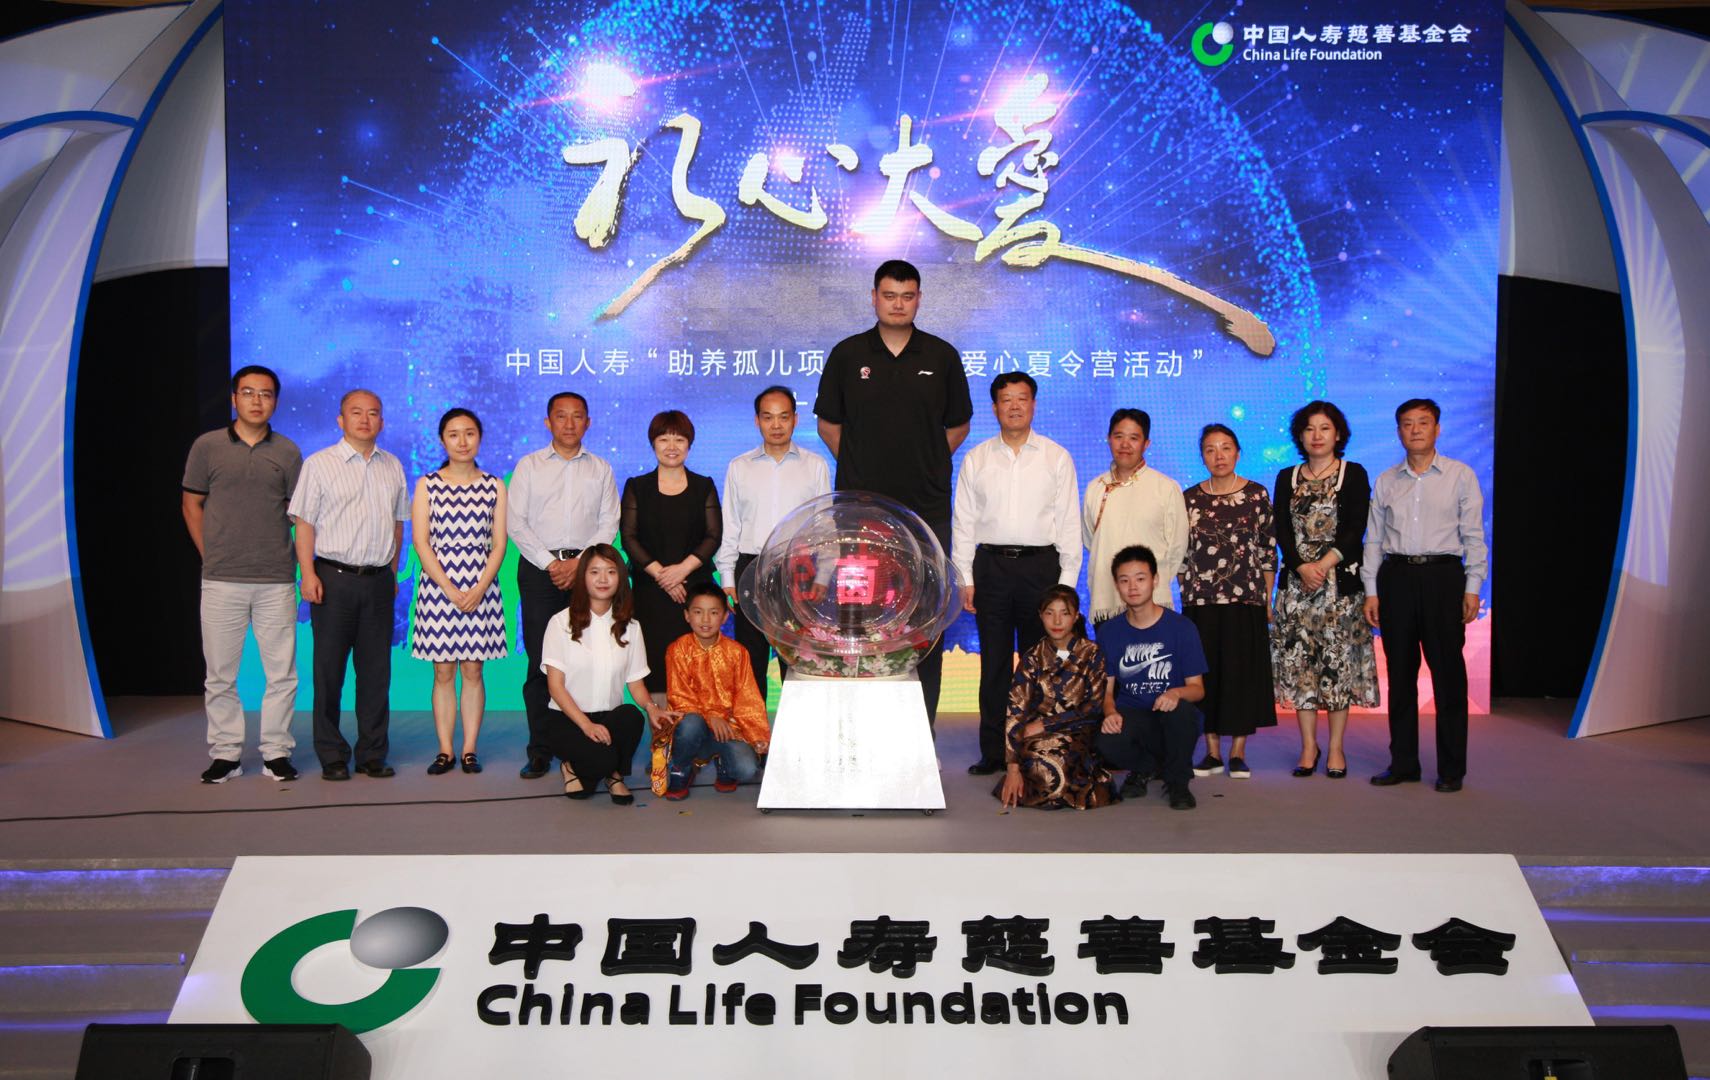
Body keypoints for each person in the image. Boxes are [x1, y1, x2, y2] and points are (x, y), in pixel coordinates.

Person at [815, 259, 973, 725]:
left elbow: (958, 425)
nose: (898, 304)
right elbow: (828, 425)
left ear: (919, 299)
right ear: (874, 298)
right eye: (889, 296)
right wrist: (864, 467)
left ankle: (922, 733)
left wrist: (925, 461)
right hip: (860, 513)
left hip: (927, 510)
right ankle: (858, 728)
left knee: (925, 622)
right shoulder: (848, 354)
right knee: (859, 617)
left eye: (907, 296)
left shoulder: (941, 356)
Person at [952, 372, 1081, 775]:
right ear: (994, 408)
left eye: (1022, 398)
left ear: (1033, 404)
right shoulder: (977, 458)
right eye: (1006, 399)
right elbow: (963, 523)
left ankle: (1035, 748)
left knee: (1038, 664)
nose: (1014, 406)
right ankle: (994, 751)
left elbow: (1069, 523)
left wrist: (1066, 587)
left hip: (1040, 568)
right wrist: (965, 578)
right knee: (993, 665)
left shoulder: (1055, 457)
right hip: (991, 568)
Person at [182, 365, 303, 783]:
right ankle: (226, 754)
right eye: (248, 393)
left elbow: (297, 514)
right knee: (220, 675)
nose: (257, 401)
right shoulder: (207, 446)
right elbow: (191, 504)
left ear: (275, 402)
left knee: (282, 674)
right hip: (221, 579)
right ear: (234, 398)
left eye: (265, 394)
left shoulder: (288, 452)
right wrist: (210, 555)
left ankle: (276, 752)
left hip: (276, 579)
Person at [1362, 399, 1487, 793]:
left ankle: (1451, 769)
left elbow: (1474, 536)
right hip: (1396, 578)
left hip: (1443, 577)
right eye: (1407, 424)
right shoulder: (1386, 480)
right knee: (1400, 677)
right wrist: (1371, 590)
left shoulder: (1460, 475)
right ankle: (1403, 763)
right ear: (1398, 431)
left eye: (1423, 422)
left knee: (1448, 676)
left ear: (1437, 429)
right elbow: (1374, 540)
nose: (1414, 430)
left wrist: (1472, 587)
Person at [288, 389, 409, 781]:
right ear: (341, 420)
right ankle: (332, 754)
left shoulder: (392, 465)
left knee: (376, 674)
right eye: (356, 413)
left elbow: (397, 525)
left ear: (382, 422)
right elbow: (304, 523)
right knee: (329, 672)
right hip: (332, 580)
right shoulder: (319, 464)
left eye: (373, 413)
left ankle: (372, 753)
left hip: (378, 582)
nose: (365, 420)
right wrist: (308, 574)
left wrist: (392, 573)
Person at [507, 392, 621, 780]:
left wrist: (580, 564)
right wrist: (552, 564)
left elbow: (608, 522)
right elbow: (516, 523)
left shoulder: (600, 468)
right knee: (542, 662)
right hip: (539, 572)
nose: (569, 424)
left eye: (577, 417)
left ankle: (587, 745)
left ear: (588, 422)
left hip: (589, 573)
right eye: (561, 416)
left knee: (589, 659)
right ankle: (540, 750)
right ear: (548, 422)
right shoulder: (529, 466)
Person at [1271, 401, 1378, 780]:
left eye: (1325, 428)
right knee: (1301, 667)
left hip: (1339, 590)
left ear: (1338, 434)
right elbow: (1282, 529)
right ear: (1300, 436)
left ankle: (1335, 747)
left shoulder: (1354, 473)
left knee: (1337, 668)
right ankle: (1307, 746)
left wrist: (1323, 564)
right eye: (1309, 429)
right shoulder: (1287, 477)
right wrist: (1302, 566)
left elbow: (1356, 527)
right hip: (1297, 588)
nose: (1316, 436)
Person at [715, 385, 831, 697]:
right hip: (750, 568)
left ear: (795, 419)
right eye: (768, 417)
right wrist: (728, 577)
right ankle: (753, 728)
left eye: (783, 417)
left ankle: (798, 726)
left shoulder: (815, 465)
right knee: (750, 660)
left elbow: (825, 525)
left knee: (798, 658)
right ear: (757, 421)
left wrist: (823, 574)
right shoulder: (739, 466)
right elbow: (731, 525)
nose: (776, 425)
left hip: (799, 568)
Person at [409, 408, 507, 776]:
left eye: (469, 433)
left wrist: (479, 588)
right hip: (439, 590)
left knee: (473, 670)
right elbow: (421, 542)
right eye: (453, 434)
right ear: (442, 440)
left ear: (479, 437)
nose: (462, 441)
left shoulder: (494, 486)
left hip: (482, 588)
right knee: (443, 671)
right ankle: (445, 749)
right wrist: (450, 589)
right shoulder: (427, 484)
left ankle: (469, 749)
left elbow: (499, 544)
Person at [539, 544, 671, 804]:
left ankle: (611, 773)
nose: (603, 579)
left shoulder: (632, 627)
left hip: (609, 719)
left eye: (611, 572)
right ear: (582, 577)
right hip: (568, 719)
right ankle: (577, 766)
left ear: (620, 578)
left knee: (632, 716)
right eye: (594, 572)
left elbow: (635, 683)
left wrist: (652, 708)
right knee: (599, 762)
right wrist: (586, 725)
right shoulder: (559, 623)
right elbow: (555, 687)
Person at [1181, 423, 1276, 779]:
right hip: (1200, 601)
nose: (1218, 455)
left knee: (1240, 674)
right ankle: (1211, 752)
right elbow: (1181, 554)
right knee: (1206, 674)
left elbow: (1267, 551)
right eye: (1210, 449)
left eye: (1225, 448)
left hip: (1244, 598)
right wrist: (1185, 591)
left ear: (1237, 452)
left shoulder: (1256, 494)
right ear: (1202, 456)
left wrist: (1267, 598)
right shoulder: (1189, 498)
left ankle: (1237, 751)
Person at [1096, 545, 1208, 810]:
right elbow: (1107, 691)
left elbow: (1197, 689)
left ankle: (1178, 781)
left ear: (1155, 580)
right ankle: (1145, 768)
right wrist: (1110, 713)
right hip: (1134, 715)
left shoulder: (1182, 628)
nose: (1133, 587)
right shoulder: (1109, 632)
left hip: (1172, 716)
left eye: (1140, 578)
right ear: (1117, 585)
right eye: (1125, 580)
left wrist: (1175, 693)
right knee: (1104, 740)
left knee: (1182, 713)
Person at [621, 409, 722, 696]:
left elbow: (713, 535)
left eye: (679, 439)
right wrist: (663, 576)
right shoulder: (637, 486)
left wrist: (681, 570)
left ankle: (698, 718)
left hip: (694, 590)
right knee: (654, 659)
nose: (671, 446)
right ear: (653, 443)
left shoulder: (704, 485)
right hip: (650, 591)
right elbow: (628, 537)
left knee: (697, 662)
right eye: (664, 439)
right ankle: (660, 721)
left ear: (689, 444)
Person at [996, 586, 1117, 811]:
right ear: (1041, 616)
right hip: (1035, 737)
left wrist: (1045, 724)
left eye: (1065, 613)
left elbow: (1093, 707)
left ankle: (1057, 789)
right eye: (1050, 613)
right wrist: (1012, 768)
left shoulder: (1092, 653)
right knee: (1034, 758)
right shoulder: (1032, 657)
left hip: (1078, 731)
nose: (1057, 621)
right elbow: (1015, 710)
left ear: (1076, 616)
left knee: (1059, 760)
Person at [652, 583, 771, 799]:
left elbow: (748, 698)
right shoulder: (677, 650)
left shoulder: (737, 652)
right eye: (698, 612)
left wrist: (758, 737)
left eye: (714, 613)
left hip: (729, 727)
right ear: (687, 616)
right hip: (693, 723)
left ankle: (724, 763)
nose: (705, 620)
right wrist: (710, 716)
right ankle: (681, 768)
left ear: (725, 617)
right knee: (690, 724)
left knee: (746, 769)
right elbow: (680, 697)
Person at [1083, 408, 1189, 623]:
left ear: (1146, 443)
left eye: (1133, 438)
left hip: (1152, 604)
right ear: (1109, 439)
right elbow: (1090, 541)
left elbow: (1177, 548)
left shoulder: (1165, 487)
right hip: (1107, 600)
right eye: (1118, 436)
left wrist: (1149, 584)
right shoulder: (1095, 487)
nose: (1125, 444)